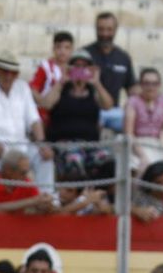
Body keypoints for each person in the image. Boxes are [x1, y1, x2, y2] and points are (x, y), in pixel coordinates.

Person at [0, 52, 50, 182]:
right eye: (5, 72)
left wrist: (42, 143)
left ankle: (46, 194)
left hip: (20, 143)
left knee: (45, 158)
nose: (9, 76)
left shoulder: (23, 87)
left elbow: (34, 119)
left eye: (13, 73)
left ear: (17, 74)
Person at [41, 53, 112, 185]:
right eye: (76, 66)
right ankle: (79, 194)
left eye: (84, 66)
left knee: (106, 158)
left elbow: (108, 105)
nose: (80, 69)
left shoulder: (93, 92)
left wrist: (97, 83)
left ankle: (97, 193)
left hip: (89, 143)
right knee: (75, 158)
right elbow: (46, 104)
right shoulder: (61, 90)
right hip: (64, 142)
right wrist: (62, 81)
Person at [82, 11, 134, 131]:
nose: (105, 33)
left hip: (114, 112)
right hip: (89, 110)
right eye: (101, 29)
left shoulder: (123, 57)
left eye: (109, 29)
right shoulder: (84, 55)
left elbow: (131, 87)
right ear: (96, 29)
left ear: (115, 30)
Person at [0, 150, 52, 215]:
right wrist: (31, 201)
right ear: (8, 170)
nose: (26, 176)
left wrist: (44, 205)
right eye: (23, 173)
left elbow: (38, 203)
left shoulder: (25, 181)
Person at [126, 67, 163, 171]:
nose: (150, 87)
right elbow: (129, 133)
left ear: (159, 85)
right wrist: (142, 156)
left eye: (154, 84)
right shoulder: (132, 102)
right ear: (141, 84)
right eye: (147, 83)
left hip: (155, 144)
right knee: (142, 167)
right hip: (136, 144)